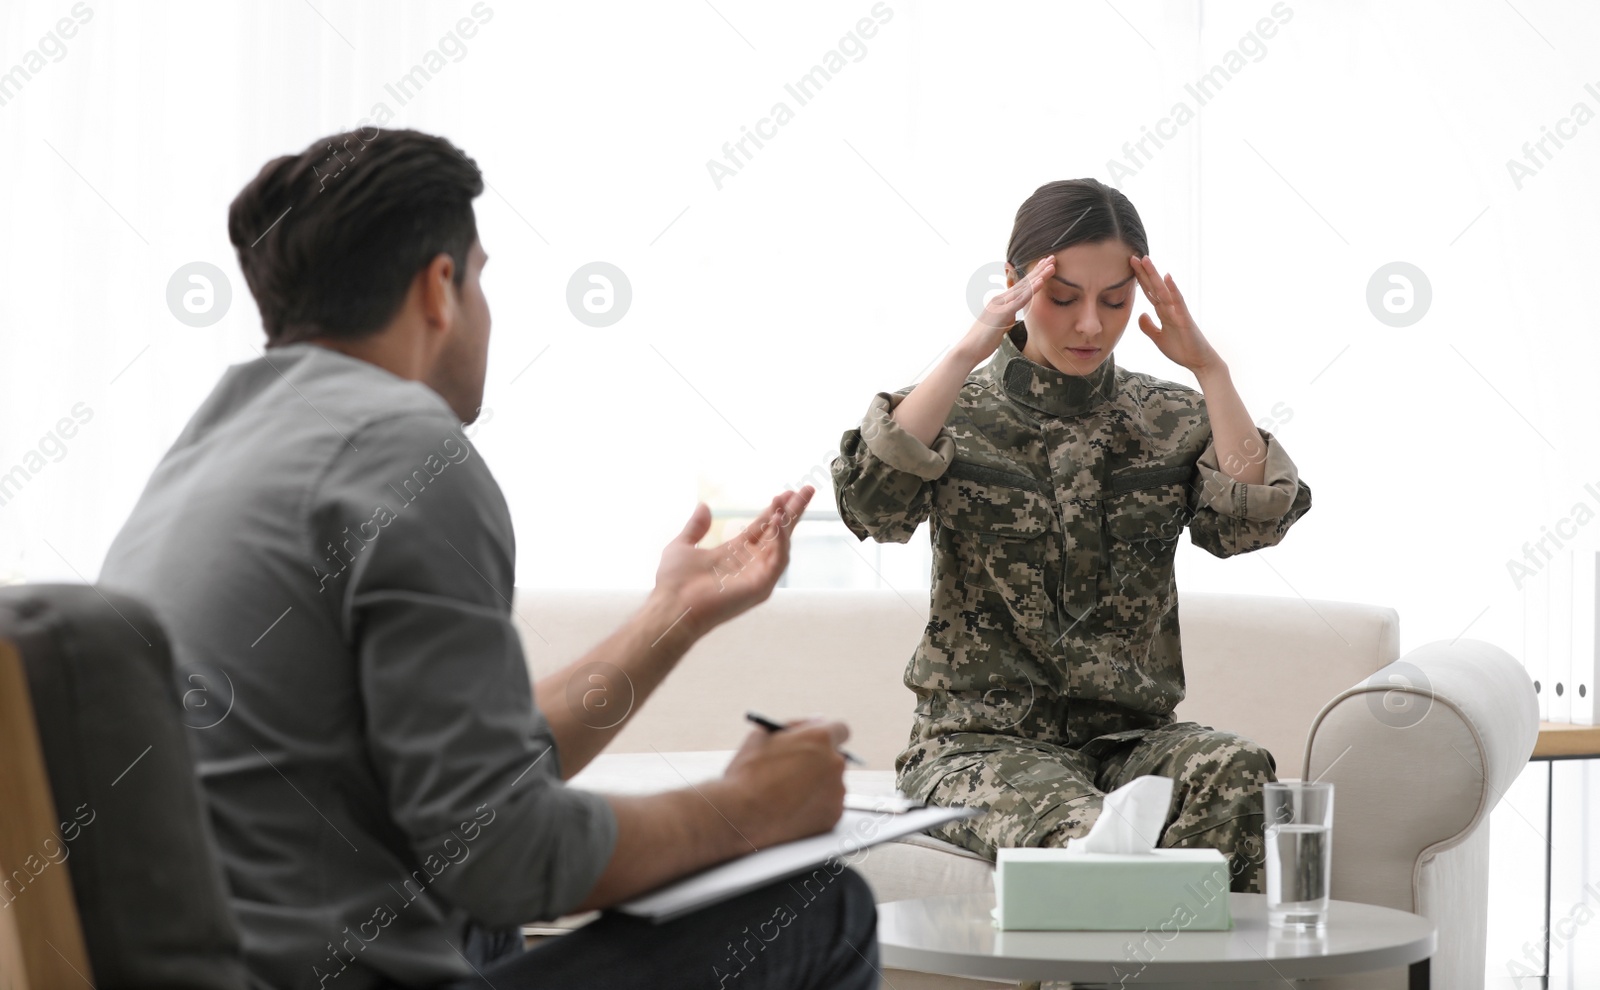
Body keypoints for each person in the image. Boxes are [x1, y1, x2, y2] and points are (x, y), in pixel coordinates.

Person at [98, 128, 878, 990]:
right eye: (482, 276)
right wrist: (747, 812)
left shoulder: (203, 458)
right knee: (819, 908)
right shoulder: (402, 454)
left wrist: (672, 615)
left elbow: (471, 792)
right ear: (440, 288)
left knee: (474, 922)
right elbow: (503, 856)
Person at [831, 177, 1312, 896]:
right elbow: (873, 508)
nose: (1091, 324)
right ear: (1016, 285)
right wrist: (966, 350)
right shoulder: (951, 410)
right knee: (1084, 831)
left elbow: (1250, 523)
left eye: (1115, 301)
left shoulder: (1170, 417)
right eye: (1064, 299)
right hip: (978, 746)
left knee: (1238, 772)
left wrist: (1210, 368)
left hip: (1131, 741)